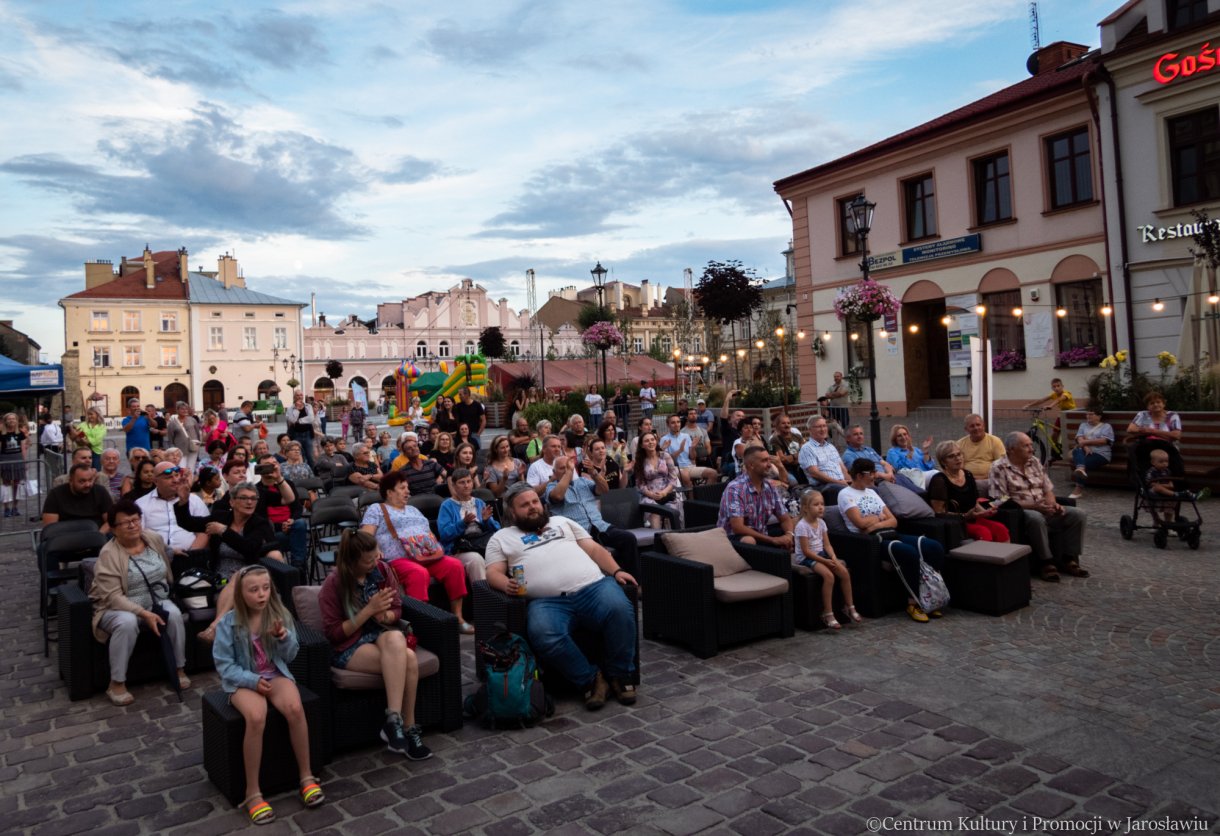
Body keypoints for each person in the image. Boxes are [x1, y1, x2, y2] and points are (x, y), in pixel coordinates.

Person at [485, 482, 639, 710]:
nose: (532, 507)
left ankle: (620, 674)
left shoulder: (562, 522)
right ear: (512, 512)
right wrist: (505, 584)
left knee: (620, 609)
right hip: (546, 602)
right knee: (543, 633)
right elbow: (492, 572)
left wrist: (617, 570)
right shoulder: (501, 537)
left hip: (593, 588)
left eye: (535, 502)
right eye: (524, 505)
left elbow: (595, 549)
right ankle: (591, 679)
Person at [214, 563, 323, 824]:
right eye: (254, 590)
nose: (261, 594)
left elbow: (291, 655)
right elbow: (224, 665)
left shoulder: (279, 614)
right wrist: (251, 680)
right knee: (256, 716)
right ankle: (253, 792)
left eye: (265, 588)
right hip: (242, 680)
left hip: (275, 673)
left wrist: (284, 637)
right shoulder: (229, 623)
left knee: (295, 709)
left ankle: (306, 776)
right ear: (241, 594)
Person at [320, 529, 432, 760]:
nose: (375, 562)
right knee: (409, 659)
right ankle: (408, 729)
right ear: (351, 561)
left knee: (395, 638)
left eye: (376, 555)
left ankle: (394, 720)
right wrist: (368, 611)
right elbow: (334, 634)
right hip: (350, 644)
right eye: (368, 560)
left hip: (382, 634)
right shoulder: (334, 584)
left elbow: (397, 607)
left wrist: (385, 617)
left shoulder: (382, 571)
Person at [89, 500, 189, 706]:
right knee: (126, 623)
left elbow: (165, 552)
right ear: (114, 529)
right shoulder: (109, 554)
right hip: (118, 606)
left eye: (135, 520)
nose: (132, 525)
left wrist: (174, 551)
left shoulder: (152, 538)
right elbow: (112, 597)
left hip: (156, 599)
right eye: (125, 523)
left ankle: (178, 668)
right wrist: (143, 614)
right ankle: (116, 683)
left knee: (175, 614)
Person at [359, 470, 473, 634]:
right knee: (418, 573)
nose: (408, 491)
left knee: (455, 565)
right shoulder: (377, 509)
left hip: (426, 555)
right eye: (402, 488)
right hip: (398, 558)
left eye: (408, 487)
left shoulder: (413, 509)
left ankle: (459, 618)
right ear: (389, 492)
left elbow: (428, 533)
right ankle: (421, 626)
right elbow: (365, 534)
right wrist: (375, 545)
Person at [838, 459, 947, 622]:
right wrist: (878, 518)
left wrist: (873, 521)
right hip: (871, 541)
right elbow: (860, 524)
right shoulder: (845, 494)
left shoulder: (872, 492)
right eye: (871, 473)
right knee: (909, 553)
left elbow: (893, 520)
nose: (875, 476)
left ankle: (930, 598)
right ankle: (913, 603)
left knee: (933, 547)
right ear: (860, 475)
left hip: (889, 532)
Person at [988, 432, 1088, 582]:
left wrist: (1053, 504)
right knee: (1036, 518)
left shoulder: (1034, 461)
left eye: (1030, 445)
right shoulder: (999, 467)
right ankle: (1046, 562)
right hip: (1022, 510)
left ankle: (1069, 558)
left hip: (1044, 506)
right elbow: (1000, 499)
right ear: (1012, 449)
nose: (1031, 449)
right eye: (1026, 446)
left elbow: (1047, 489)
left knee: (1078, 514)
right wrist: (1034, 506)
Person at [546, 446, 641, 575]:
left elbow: (604, 490)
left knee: (628, 539)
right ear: (554, 471)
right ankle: (614, 579)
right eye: (562, 468)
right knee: (602, 553)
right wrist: (569, 472)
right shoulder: (552, 487)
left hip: (600, 526)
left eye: (568, 467)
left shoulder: (583, 482)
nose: (566, 470)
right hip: (580, 534)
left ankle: (634, 582)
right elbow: (557, 497)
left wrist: (594, 473)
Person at [794, 489, 860, 629]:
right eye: (816, 504)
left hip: (821, 553)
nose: (820, 507)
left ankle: (849, 606)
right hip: (806, 557)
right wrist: (824, 561)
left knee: (844, 573)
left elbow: (827, 544)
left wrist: (833, 557)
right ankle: (828, 613)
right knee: (829, 576)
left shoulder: (822, 523)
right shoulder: (801, 526)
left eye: (822, 504)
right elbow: (806, 551)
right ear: (805, 508)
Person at [928, 441, 1009, 542]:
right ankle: (986, 557)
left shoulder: (968, 475)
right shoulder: (939, 480)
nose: (958, 458)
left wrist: (984, 512)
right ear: (943, 461)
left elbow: (975, 504)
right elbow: (938, 512)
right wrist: (965, 516)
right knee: (983, 532)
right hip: (956, 523)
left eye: (959, 454)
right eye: (951, 456)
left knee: (1001, 529)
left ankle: (1003, 557)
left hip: (973, 518)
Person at [717, 446, 795, 549]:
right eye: (764, 461)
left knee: (802, 523)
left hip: (761, 534)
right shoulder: (735, 489)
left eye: (769, 460)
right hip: (732, 539)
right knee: (749, 540)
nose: (769, 465)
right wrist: (772, 540)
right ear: (751, 465)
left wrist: (789, 535)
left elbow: (784, 518)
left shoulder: (769, 486)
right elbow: (738, 528)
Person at [135, 462, 210, 554]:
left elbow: (205, 531)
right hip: (156, 557)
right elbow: (138, 536)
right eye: (169, 477)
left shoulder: (194, 500)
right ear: (155, 481)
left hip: (191, 556)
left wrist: (191, 554)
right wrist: (166, 552)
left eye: (177, 475)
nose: (175, 480)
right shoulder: (141, 504)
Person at [438, 467, 498, 583]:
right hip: (459, 549)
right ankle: (484, 597)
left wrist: (486, 521)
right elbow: (444, 534)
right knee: (475, 559)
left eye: (469, 481)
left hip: (481, 544)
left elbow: (496, 529)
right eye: (462, 482)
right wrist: (463, 523)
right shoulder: (447, 505)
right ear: (454, 486)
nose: (466, 485)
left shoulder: (479, 502)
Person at [632, 430, 681, 529]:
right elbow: (640, 484)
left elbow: (673, 478)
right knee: (655, 512)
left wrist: (664, 492)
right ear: (642, 445)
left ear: (656, 441)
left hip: (667, 493)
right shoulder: (640, 461)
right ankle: (657, 538)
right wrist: (651, 495)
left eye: (652, 439)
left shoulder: (665, 456)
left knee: (671, 511)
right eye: (646, 441)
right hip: (649, 496)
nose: (650, 442)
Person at [42, 463, 113, 530]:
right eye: (82, 481)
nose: (87, 484)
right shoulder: (55, 494)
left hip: (96, 534)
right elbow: (50, 528)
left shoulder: (100, 491)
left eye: (90, 480)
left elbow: (110, 521)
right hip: (65, 536)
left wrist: (99, 535)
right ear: (71, 481)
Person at [1144, 448, 1202, 524]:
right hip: (1153, 491)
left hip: (1166, 491)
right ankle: (1156, 521)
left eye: (1166, 461)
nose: (1165, 464)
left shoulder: (1167, 471)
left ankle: (1169, 523)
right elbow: (1150, 483)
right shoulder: (1151, 471)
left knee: (1171, 502)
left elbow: (1171, 483)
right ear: (1153, 462)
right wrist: (1165, 485)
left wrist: (1167, 485)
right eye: (1161, 462)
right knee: (1157, 487)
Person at [1069, 409, 1115, 499]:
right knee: (1077, 450)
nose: (1088, 416)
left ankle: (1078, 489)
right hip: (1084, 452)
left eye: (1091, 414)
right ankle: (1081, 469)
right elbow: (1079, 439)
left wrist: (1085, 442)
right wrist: (1085, 446)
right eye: (1087, 414)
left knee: (1081, 462)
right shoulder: (1083, 425)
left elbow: (1103, 441)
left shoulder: (1106, 426)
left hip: (1101, 454)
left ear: (1099, 416)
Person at [799, 416, 849, 498]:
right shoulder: (807, 448)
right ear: (810, 430)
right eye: (819, 427)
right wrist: (838, 482)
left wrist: (851, 482)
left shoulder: (831, 447)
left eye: (824, 426)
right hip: (824, 487)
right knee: (844, 490)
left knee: (869, 488)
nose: (823, 429)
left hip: (840, 483)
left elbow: (843, 469)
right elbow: (815, 473)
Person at [1024, 378, 1076, 456]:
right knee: (1054, 434)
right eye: (1054, 387)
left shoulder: (1066, 393)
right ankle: (1056, 450)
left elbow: (1059, 399)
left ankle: (1070, 450)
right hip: (1062, 415)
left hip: (1071, 415)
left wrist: (1050, 406)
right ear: (1052, 388)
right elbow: (1042, 400)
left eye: (1058, 386)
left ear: (1062, 386)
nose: (1056, 388)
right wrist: (1029, 405)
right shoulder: (1053, 394)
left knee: (1069, 435)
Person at [957, 413, 1006, 486]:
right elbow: (957, 466)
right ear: (966, 429)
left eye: (978, 425)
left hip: (990, 480)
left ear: (983, 426)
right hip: (966, 480)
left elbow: (1002, 465)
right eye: (972, 426)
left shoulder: (995, 441)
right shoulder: (960, 444)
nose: (976, 428)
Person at [0, 412, 28, 518]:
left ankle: (15, 507)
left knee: (17, 485)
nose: (12, 420)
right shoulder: (1, 434)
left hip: (18, 460)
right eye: (9, 419)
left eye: (14, 419)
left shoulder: (20, 433)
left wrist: (25, 462)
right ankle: (6, 508)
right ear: (5, 421)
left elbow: (23, 448)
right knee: (6, 485)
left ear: (16, 421)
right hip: (5, 460)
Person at [483, 434, 527, 500]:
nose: (506, 450)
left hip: (518, 496)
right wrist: (504, 479)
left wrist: (520, 475)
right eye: (502, 448)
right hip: (503, 499)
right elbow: (496, 494)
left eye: (507, 446)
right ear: (496, 449)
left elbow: (523, 486)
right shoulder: (491, 468)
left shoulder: (517, 462)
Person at [768, 413, 804, 485]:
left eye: (788, 423)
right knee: (794, 482)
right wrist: (796, 456)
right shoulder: (774, 440)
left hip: (801, 467)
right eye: (783, 423)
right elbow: (782, 459)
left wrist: (791, 458)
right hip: (786, 470)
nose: (787, 425)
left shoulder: (797, 436)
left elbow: (805, 453)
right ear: (777, 426)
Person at [166, 402, 202, 471]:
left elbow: (197, 433)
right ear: (177, 410)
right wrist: (173, 451)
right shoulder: (172, 423)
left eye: (186, 409)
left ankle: (190, 481)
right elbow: (170, 438)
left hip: (193, 447)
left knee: (191, 468)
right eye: (182, 409)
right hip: (180, 450)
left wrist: (198, 445)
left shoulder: (192, 420)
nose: (185, 411)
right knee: (181, 468)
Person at [285, 393, 318, 468]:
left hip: (307, 434)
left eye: (301, 395)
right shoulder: (290, 408)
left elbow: (311, 419)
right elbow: (292, 420)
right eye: (297, 395)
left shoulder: (308, 406)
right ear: (294, 397)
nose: (300, 397)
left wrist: (298, 421)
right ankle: (301, 471)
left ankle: (313, 473)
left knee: (310, 455)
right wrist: (297, 410)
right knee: (299, 455)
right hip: (296, 434)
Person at [39, 413, 65, 485]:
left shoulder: (47, 428)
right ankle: (57, 480)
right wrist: (61, 442)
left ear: (43, 420)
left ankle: (55, 482)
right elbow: (60, 435)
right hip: (58, 445)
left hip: (51, 446)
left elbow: (52, 439)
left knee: (52, 466)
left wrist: (58, 442)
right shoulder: (56, 426)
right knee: (57, 465)